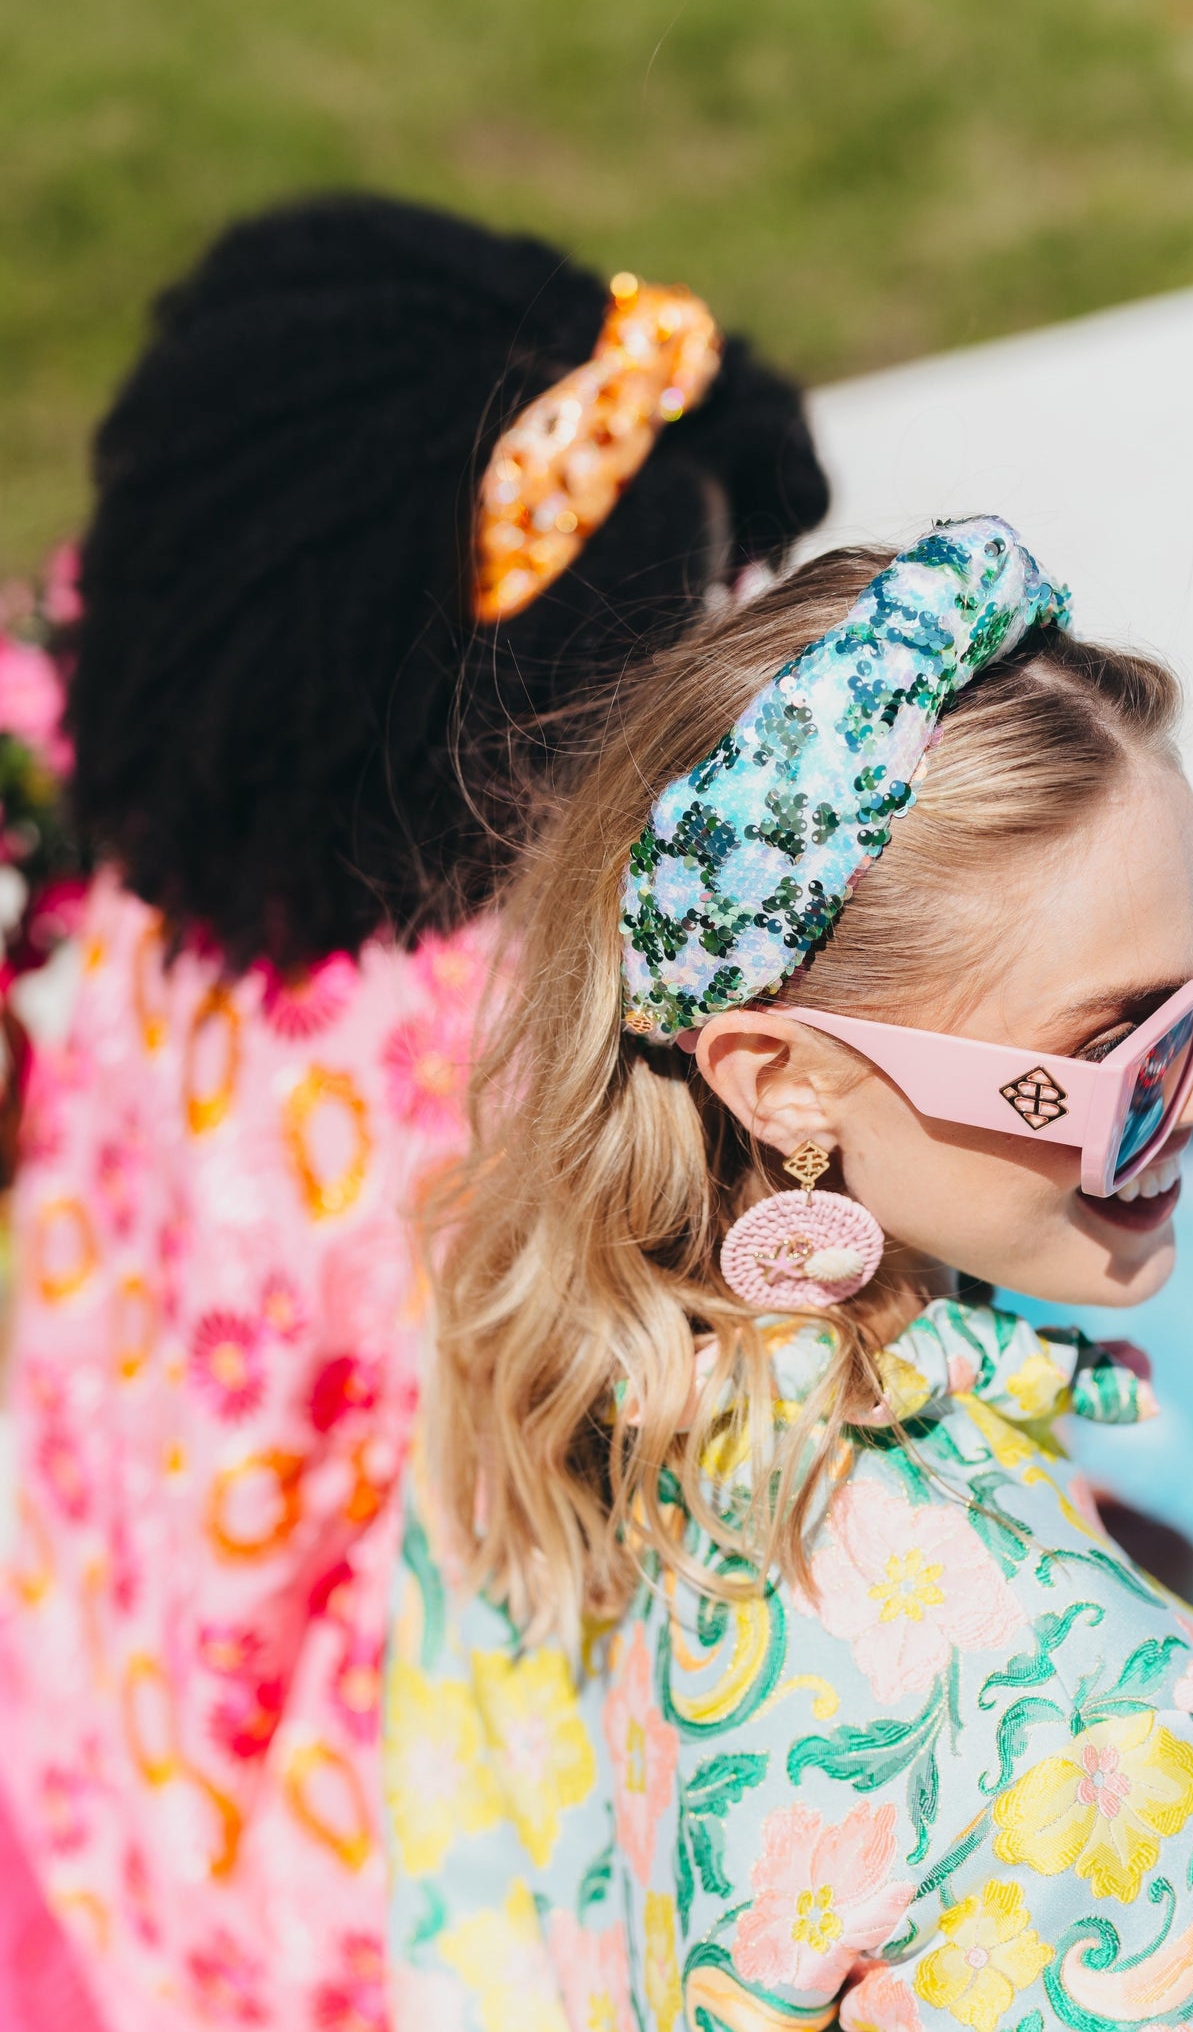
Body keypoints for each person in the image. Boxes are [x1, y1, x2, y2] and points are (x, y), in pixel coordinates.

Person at [383, 520, 1193, 2030]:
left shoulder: (559, 1375)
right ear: (780, 1080)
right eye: (1123, 1048)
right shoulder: (1104, 1726)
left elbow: (481, 1901)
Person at [0, 193, 828, 2032]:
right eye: (691, 627)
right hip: (376, 1911)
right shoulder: (551, 1048)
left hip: (103, 1765)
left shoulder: (166, 891)